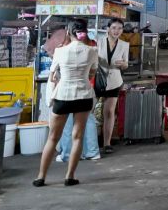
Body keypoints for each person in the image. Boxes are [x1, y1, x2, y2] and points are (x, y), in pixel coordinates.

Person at [35, 20, 98, 187]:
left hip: (63, 96)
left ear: (69, 32)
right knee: (77, 137)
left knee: (53, 137)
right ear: (84, 32)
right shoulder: (92, 51)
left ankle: (41, 176)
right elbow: (92, 73)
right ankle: (70, 176)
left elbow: (52, 76)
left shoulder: (60, 51)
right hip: (83, 95)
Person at [96, 19, 129, 154]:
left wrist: (123, 65)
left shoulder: (124, 44)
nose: (117, 31)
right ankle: (88, 140)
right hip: (98, 80)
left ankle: (107, 143)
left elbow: (126, 64)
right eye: (114, 28)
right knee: (88, 111)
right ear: (108, 28)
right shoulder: (98, 42)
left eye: (120, 28)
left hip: (114, 81)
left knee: (109, 112)